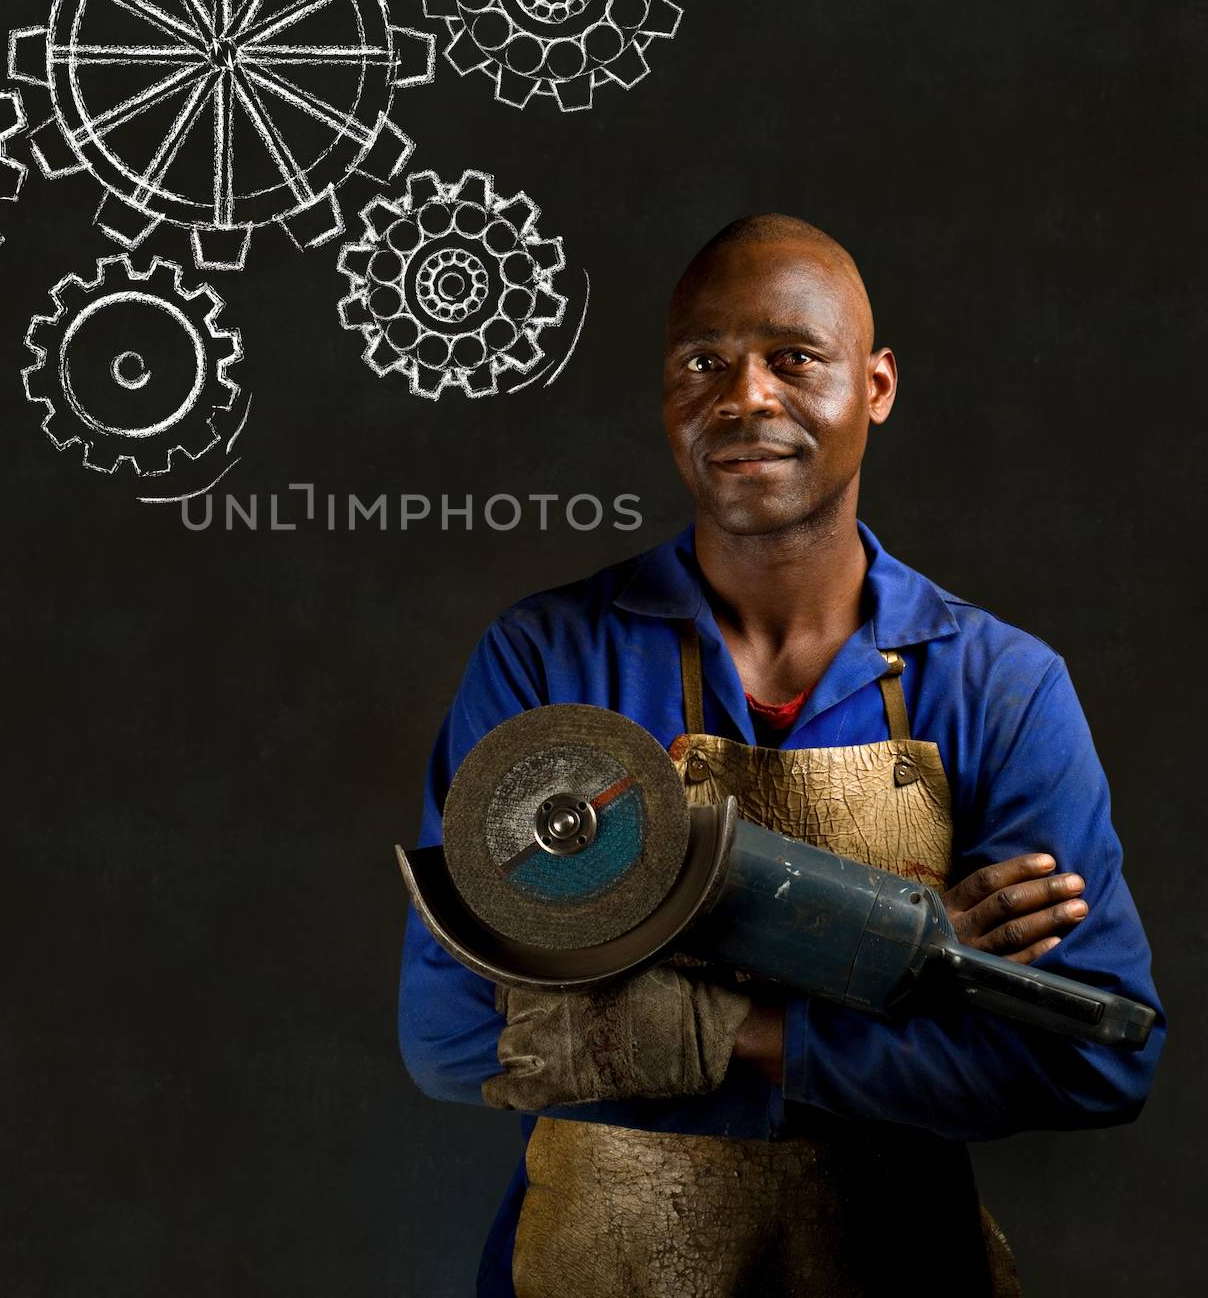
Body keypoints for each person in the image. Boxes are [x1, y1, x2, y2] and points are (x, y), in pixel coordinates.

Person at [397, 215, 1164, 1298]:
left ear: (877, 385)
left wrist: (720, 1030)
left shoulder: (999, 686)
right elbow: (453, 1035)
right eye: (701, 362)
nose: (743, 397)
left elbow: (1095, 1051)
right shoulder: (544, 659)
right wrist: (900, 966)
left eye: (793, 359)